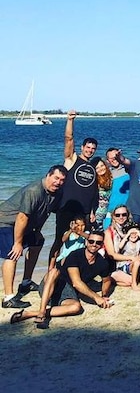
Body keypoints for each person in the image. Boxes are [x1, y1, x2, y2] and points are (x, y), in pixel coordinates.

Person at [11, 229, 115, 329]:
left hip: (67, 293)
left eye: (98, 242)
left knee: (76, 307)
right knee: (54, 271)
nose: (94, 244)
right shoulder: (75, 255)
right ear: (86, 242)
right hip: (51, 285)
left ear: (101, 245)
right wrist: (96, 297)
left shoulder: (102, 263)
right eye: (91, 241)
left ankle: (29, 314)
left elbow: (106, 280)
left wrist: (104, 296)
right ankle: (42, 312)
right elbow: (76, 283)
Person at [1, 165, 67, 309]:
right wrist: (18, 243)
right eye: (56, 178)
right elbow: (22, 218)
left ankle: (25, 283)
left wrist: (37, 230)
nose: (58, 182)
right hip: (6, 222)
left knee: (38, 241)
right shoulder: (34, 190)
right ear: (48, 175)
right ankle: (8, 298)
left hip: (25, 225)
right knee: (12, 254)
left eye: (62, 180)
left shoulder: (58, 192)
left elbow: (45, 212)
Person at [52, 111, 98, 264]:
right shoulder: (72, 159)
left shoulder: (92, 167)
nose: (90, 150)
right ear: (82, 147)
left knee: (81, 242)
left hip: (83, 211)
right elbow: (68, 139)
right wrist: (70, 120)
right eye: (88, 147)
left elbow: (92, 191)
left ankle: (75, 270)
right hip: (66, 208)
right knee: (60, 240)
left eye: (93, 148)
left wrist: (92, 211)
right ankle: (51, 271)